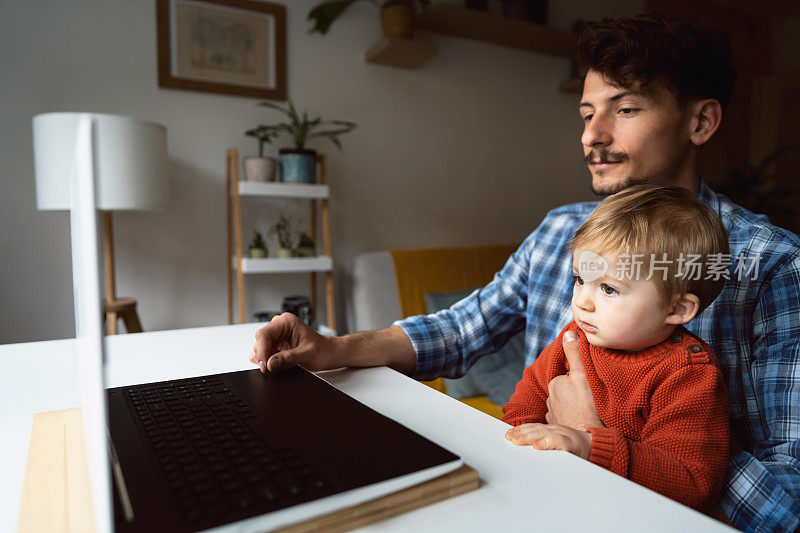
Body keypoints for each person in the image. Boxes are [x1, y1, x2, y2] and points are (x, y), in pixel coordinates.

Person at [250, 13, 800, 531]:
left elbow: (788, 502)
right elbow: (464, 328)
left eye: (624, 110)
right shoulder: (560, 230)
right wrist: (333, 350)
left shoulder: (770, 262)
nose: (592, 135)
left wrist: (598, 439)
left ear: (700, 121)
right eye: (587, 114)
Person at [502, 184, 730, 512]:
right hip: (557, 497)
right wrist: (522, 440)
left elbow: (689, 481)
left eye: (608, 289)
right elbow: (528, 398)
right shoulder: (574, 338)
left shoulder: (689, 374)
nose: (581, 301)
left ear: (677, 309)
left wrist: (588, 443)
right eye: (580, 279)